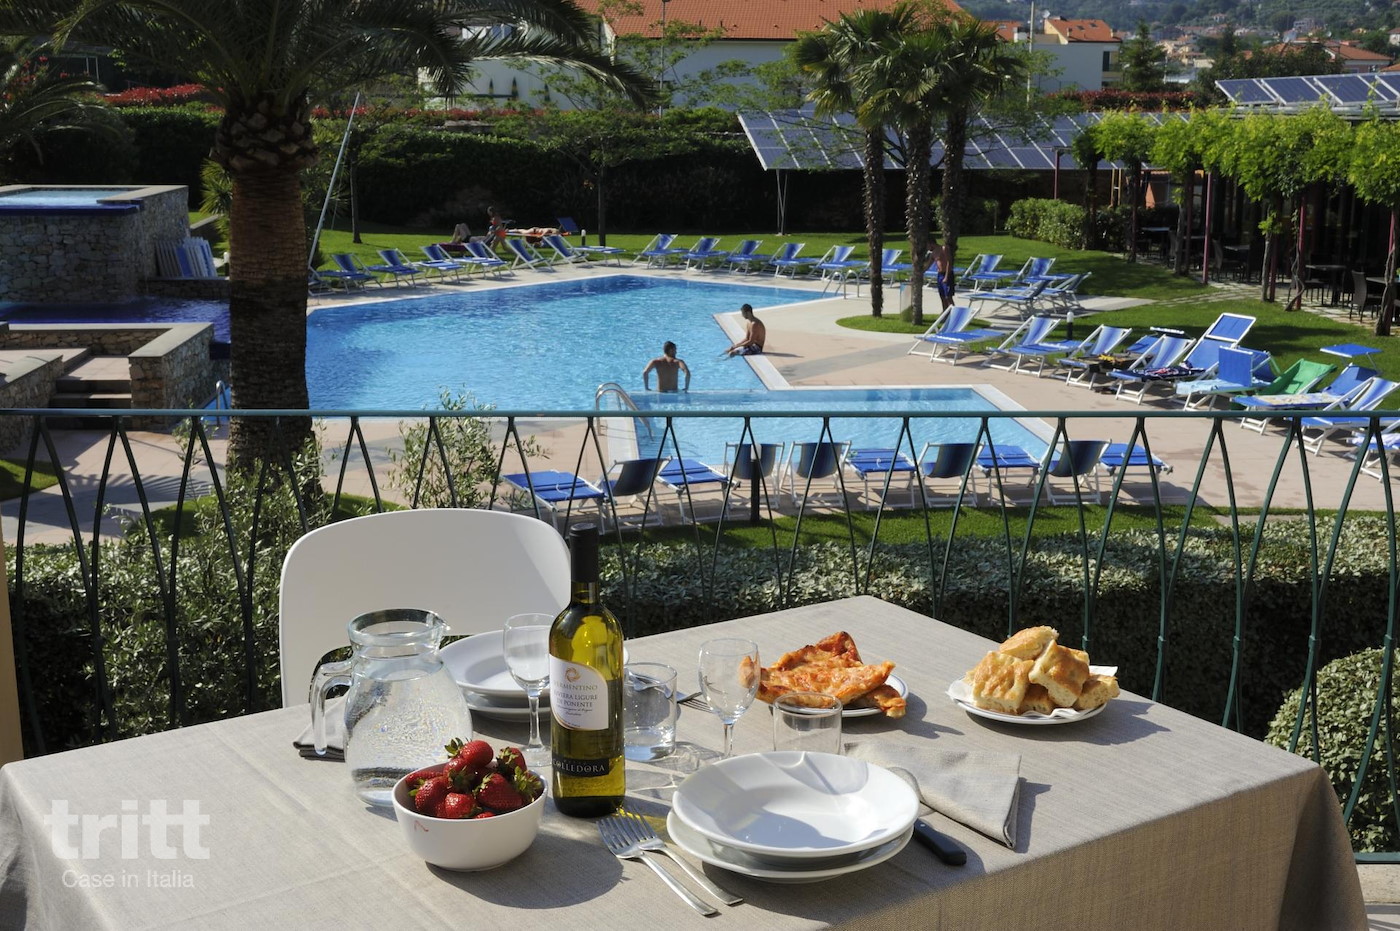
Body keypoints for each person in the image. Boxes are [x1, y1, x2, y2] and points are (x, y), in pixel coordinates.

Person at [925, 235, 954, 310]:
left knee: (948, 297)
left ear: (931, 243)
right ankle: (945, 313)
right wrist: (918, 274)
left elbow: (949, 262)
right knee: (942, 297)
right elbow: (927, 265)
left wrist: (946, 277)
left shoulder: (944, 249)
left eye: (927, 245)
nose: (926, 248)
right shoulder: (933, 253)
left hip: (947, 274)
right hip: (940, 275)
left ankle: (954, 313)